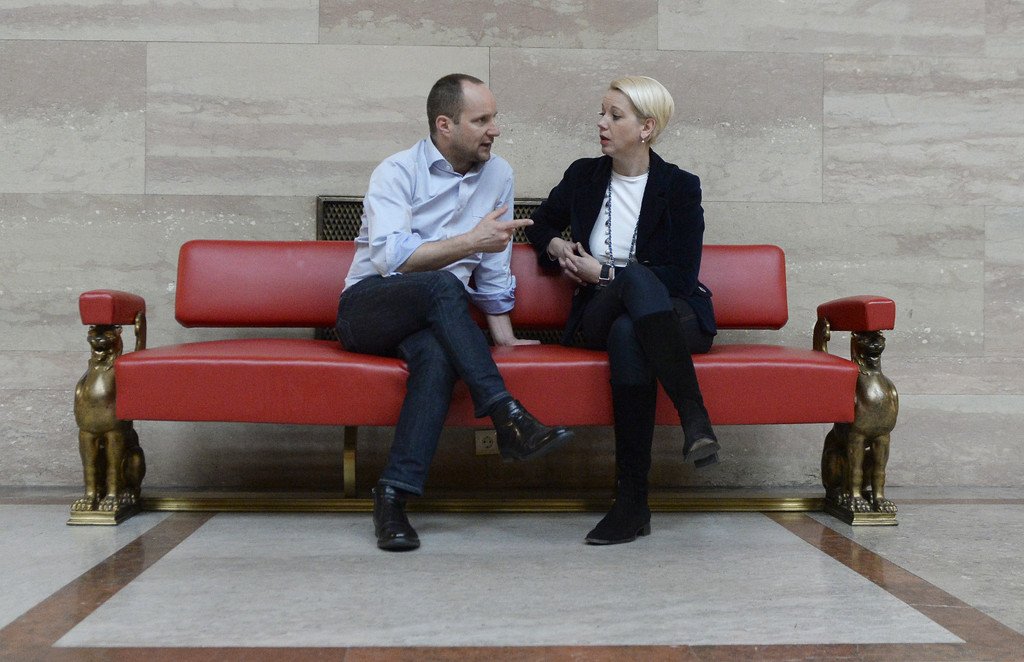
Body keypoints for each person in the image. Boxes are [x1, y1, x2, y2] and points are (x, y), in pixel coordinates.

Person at [336, 73, 574, 552]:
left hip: (434, 318)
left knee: (438, 358)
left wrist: (504, 336)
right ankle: (507, 415)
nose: (495, 129)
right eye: (481, 120)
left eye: (494, 118)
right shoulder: (396, 172)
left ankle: (392, 497)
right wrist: (469, 241)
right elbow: (393, 258)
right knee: (445, 285)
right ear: (445, 125)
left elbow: (493, 264)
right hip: (370, 307)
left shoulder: (498, 174)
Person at [525, 76, 718, 546]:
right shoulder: (584, 176)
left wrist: (605, 273)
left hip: (672, 315)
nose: (601, 123)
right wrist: (556, 246)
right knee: (630, 283)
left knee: (630, 332)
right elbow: (540, 223)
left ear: (647, 128)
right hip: (598, 313)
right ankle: (693, 415)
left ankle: (631, 504)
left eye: (615, 116)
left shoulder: (680, 187)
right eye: (602, 113)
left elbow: (682, 276)